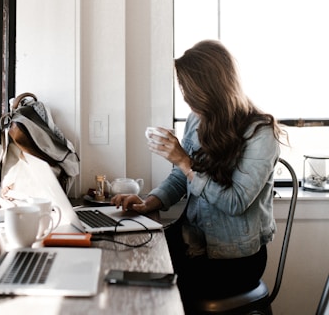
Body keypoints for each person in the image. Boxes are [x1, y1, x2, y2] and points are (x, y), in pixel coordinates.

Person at [111, 39, 286, 314]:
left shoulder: (260, 133)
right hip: (192, 242)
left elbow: (235, 202)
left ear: (212, 88)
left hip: (235, 260)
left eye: (189, 90)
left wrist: (184, 160)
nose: (185, 97)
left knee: (148, 287)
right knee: (123, 264)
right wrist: (150, 202)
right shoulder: (198, 120)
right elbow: (181, 177)